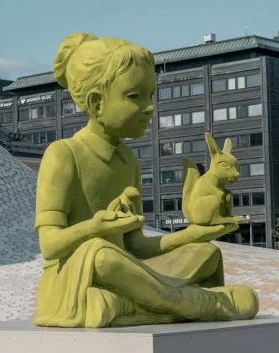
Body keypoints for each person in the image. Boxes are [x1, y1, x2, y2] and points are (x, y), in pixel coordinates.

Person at [33, 33, 260, 327]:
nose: (149, 107)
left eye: (151, 95)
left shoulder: (129, 162)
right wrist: (94, 228)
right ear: (97, 102)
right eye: (134, 96)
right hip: (78, 276)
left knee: (205, 253)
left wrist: (193, 234)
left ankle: (133, 306)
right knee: (101, 253)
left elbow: (136, 247)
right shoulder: (63, 155)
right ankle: (192, 302)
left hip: (127, 271)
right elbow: (49, 245)